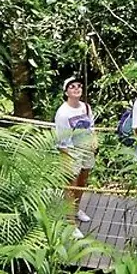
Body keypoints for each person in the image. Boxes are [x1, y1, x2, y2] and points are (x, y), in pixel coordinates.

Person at [54, 76, 96, 234]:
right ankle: (70, 222)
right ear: (66, 92)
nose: (77, 88)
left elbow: (91, 126)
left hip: (86, 148)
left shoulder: (86, 107)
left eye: (79, 86)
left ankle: (77, 209)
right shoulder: (63, 113)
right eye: (72, 87)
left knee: (83, 181)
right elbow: (62, 139)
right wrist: (67, 157)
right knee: (72, 184)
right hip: (70, 150)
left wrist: (94, 140)